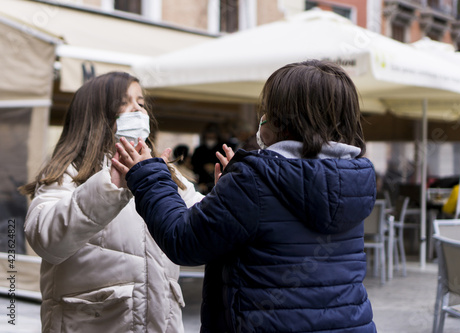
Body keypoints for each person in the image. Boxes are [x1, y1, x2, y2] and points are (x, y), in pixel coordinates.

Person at [112, 60, 377, 332]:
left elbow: (183, 240)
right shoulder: (353, 177)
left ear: (283, 119)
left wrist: (147, 174)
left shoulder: (255, 181)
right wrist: (229, 196)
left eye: (267, 110)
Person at [19, 72, 203, 333]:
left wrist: (230, 193)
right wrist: (111, 185)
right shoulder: (69, 173)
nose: (138, 109)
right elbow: (44, 238)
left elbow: (202, 225)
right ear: (96, 114)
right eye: (124, 102)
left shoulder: (164, 172)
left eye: (140, 102)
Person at [191, 123, 224, 194]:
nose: (210, 140)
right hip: (202, 183)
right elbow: (194, 166)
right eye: (208, 138)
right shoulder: (199, 150)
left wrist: (215, 167)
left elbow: (228, 166)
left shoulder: (222, 149)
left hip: (220, 183)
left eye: (212, 138)